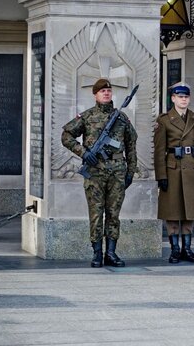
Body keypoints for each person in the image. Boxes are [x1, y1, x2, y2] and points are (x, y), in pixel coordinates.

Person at [62, 78, 138, 268]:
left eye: (109, 91)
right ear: (95, 94)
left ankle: (111, 253)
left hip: (117, 174)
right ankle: (97, 253)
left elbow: (131, 146)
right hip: (95, 173)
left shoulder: (121, 119)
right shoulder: (87, 117)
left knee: (113, 214)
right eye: (102, 91)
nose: (106, 93)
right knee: (96, 214)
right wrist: (84, 153)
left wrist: (130, 171)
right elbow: (66, 136)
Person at [154, 83, 194, 264]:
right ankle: (175, 249)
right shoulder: (165, 120)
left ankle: (188, 249)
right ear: (173, 98)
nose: (183, 99)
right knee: (173, 212)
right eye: (180, 96)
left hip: (191, 168)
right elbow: (159, 150)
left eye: (186, 97)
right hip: (173, 169)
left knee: (189, 212)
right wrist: (161, 175)